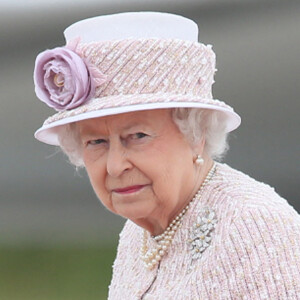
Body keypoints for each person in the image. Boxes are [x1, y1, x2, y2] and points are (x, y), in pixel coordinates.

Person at [33, 12, 300, 300]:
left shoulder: (255, 226)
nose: (115, 166)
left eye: (137, 136)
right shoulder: (137, 234)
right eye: (96, 141)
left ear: (196, 134)